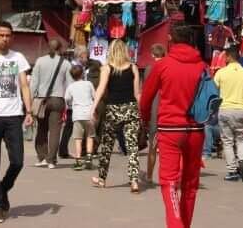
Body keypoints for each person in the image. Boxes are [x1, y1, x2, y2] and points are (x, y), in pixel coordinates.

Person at [139, 24, 206, 228]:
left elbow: (146, 99)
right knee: (190, 184)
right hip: (196, 129)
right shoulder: (203, 66)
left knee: (168, 182)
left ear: (171, 40)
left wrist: (145, 119)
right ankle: (185, 224)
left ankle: (176, 224)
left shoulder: (163, 65)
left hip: (170, 128)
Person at [0, 21, 33, 223]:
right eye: (1, 35)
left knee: (17, 161)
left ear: (11, 37)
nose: (4, 38)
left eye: (8, 35)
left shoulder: (18, 58)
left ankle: (2, 189)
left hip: (14, 116)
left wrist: (29, 110)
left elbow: (24, 85)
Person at [90, 39, 142, 192]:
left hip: (113, 109)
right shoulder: (133, 67)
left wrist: (93, 107)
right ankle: (134, 181)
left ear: (111, 51)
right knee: (132, 146)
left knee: (107, 145)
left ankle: (102, 179)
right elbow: (136, 93)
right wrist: (140, 111)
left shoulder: (106, 68)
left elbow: (101, 88)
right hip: (130, 108)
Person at [213, 44, 243, 182]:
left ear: (229, 57)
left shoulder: (220, 73)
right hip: (242, 110)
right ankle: (242, 161)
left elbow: (214, 93)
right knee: (242, 139)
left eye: (225, 56)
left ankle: (232, 171)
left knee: (227, 141)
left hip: (225, 109)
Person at [30, 39, 72, 169]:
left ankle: (42, 157)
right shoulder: (66, 64)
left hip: (41, 99)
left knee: (41, 129)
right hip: (58, 99)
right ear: (60, 49)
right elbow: (69, 85)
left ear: (49, 47)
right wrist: (69, 102)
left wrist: (31, 100)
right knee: (55, 131)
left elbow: (33, 83)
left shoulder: (40, 61)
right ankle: (51, 160)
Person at [64, 64, 96, 170]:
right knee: (90, 136)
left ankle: (78, 161)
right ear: (83, 73)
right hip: (89, 113)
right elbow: (94, 96)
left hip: (77, 114)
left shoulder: (71, 86)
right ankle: (89, 158)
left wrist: (71, 102)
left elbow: (67, 98)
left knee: (78, 138)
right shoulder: (88, 84)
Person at [144, 43, 166, 184]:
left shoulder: (149, 68)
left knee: (153, 144)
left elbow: (147, 90)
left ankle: (150, 175)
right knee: (166, 147)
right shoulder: (169, 67)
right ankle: (165, 175)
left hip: (154, 108)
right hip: (167, 109)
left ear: (152, 54)